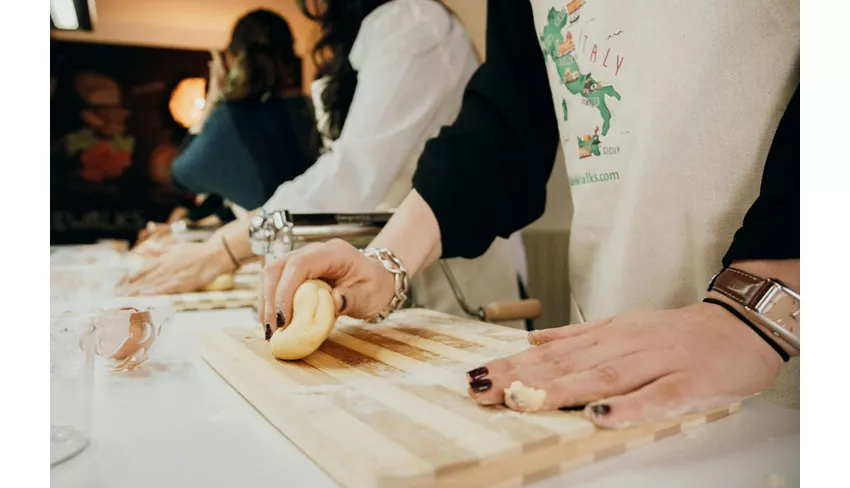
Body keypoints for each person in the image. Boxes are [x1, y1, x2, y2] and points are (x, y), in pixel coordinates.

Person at [256, 0, 800, 428]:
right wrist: (383, 260)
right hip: (600, 350)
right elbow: (508, 120)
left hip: (786, 359)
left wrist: (766, 297)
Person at [126, 0, 529, 328]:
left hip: (450, 269)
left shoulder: (413, 22)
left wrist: (223, 250)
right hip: (386, 263)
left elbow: (349, 175)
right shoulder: (367, 38)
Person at [169, 9, 319, 211]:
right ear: (290, 59)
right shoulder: (311, 109)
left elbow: (181, 177)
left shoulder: (230, 118)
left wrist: (212, 101)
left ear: (230, 59)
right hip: (318, 230)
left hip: (264, 236)